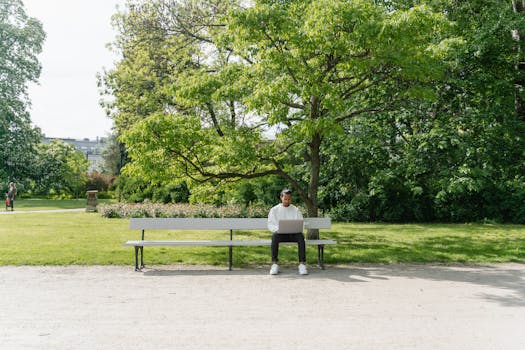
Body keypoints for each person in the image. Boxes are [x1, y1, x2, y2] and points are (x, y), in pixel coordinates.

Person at [267, 189, 308, 275]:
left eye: (289, 199)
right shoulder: (274, 210)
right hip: (280, 234)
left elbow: (301, 223)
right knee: (274, 237)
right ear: (281, 197)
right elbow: (270, 224)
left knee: (301, 237)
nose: (287, 201)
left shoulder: (295, 210)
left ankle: (302, 264)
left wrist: (298, 228)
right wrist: (278, 229)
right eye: (285, 199)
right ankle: (274, 264)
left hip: (293, 234)